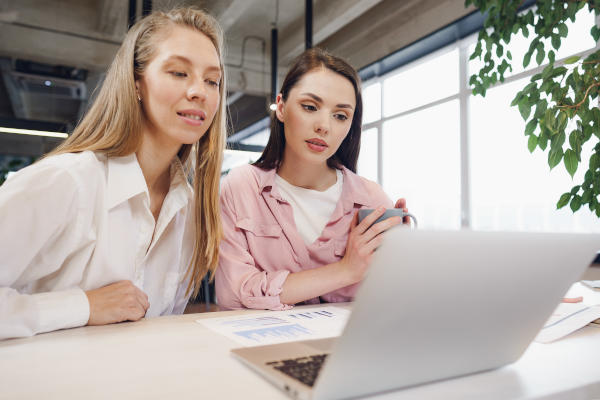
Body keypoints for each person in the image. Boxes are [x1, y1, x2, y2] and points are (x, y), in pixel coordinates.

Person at [0, 7, 226, 339]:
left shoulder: (189, 210)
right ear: (136, 84)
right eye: (179, 73)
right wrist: (84, 306)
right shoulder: (67, 182)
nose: (200, 92)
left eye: (212, 80)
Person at [216, 48, 409, 310]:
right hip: (262, 347)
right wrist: (345, 271)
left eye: (340, 116)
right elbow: (235, 295)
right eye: (310, 107)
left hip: (347, 346)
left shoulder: (370, 199)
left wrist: (403, 256)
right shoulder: (242, 187)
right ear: (281, 108)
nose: (324, 126)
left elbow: (394, 298)